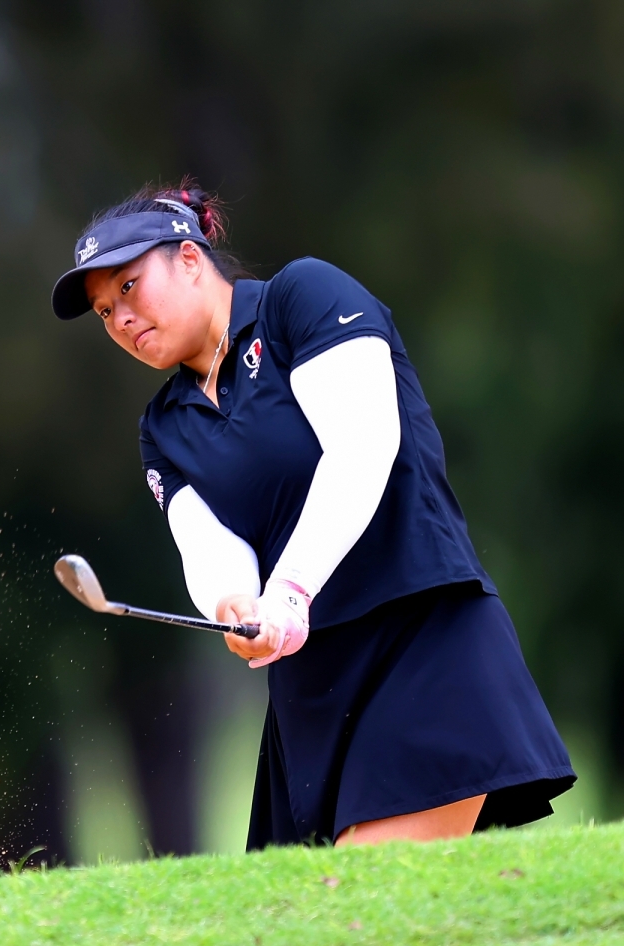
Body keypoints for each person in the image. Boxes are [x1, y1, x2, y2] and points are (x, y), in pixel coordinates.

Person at [51, 184, 574, 848]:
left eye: (128, 287)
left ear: (188, 258)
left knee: (360, 892)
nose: (120, 319)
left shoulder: (302, 299)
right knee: (307, 909)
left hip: (419, 634)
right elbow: (209, 548)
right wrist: (237, 606)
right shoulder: (163, 426)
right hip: (311, 685)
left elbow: (362, 446)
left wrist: (291, 588)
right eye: (104, 311)